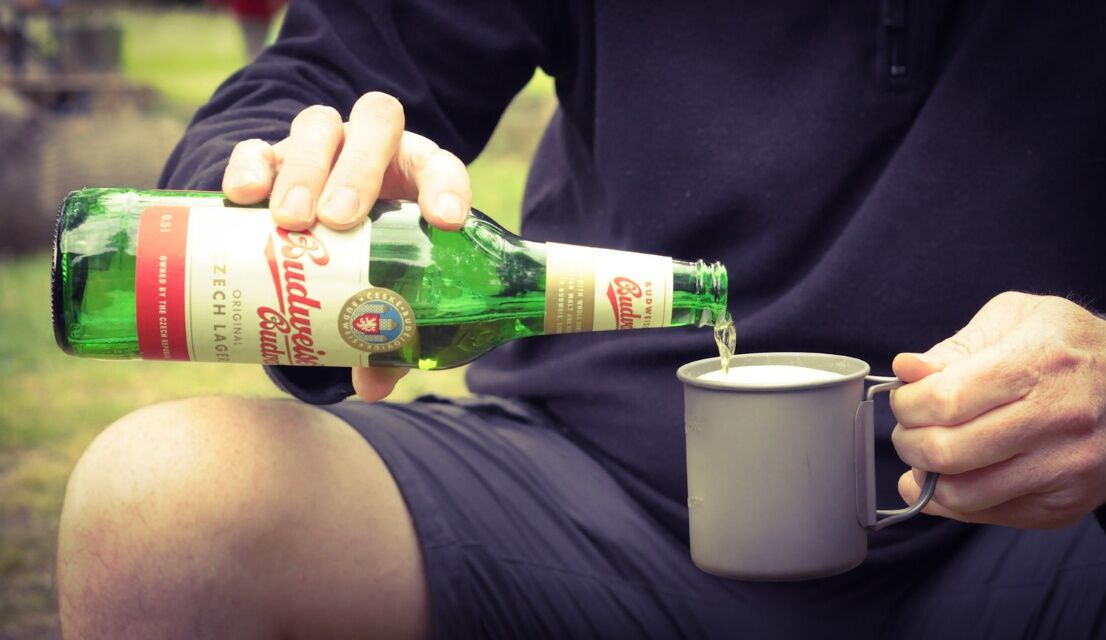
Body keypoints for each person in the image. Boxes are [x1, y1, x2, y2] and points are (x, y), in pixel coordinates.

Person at [56, 1, 1106, 637]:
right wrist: (294, 182)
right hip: (585, 499)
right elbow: (320, 73)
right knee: (157, 500)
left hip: (1033, 534)